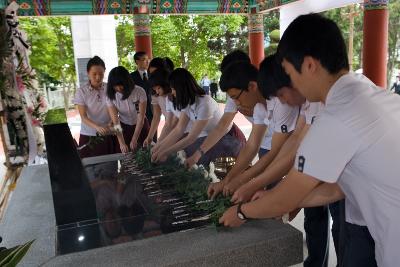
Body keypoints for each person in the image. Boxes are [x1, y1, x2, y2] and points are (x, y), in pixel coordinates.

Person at [220, 13, 400, 267]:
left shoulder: (336, 118)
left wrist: (241, 211)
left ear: (309, 65)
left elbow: (284, 197)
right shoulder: (371, 94)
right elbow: (339, 187)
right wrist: (291, 199)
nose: (290, 83)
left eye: (289, 73)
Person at [230, 54, 340, 267]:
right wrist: (272, 194)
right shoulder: (310, 103)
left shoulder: (332, 102)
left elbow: (293, 152)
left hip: (350, 195)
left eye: (282, 93)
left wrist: (249, 204)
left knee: (345, 237)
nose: (284, 101)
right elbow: (296, 143)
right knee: (324, 223)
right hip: (335, 184)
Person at [198, 60, 298, 200]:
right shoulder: (259, 107)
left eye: (236, 98)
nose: (236, 104)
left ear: (252, 86)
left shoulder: (281, 102)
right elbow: (251, 146)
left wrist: (242, 182)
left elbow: (275, 152)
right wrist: (227, 180)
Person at [151, 68, 243, 165]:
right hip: (208, 137)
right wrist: (158, 147)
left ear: (181, 88)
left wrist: (165, 152)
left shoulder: (204, 103)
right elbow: (179, 130)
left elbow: (191, 138)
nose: (172, 93)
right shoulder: (187, 102)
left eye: (173, 89)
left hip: (226, 138)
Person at [73, 56, 114, 158]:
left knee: (111, 164)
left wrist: (112, 122)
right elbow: (83, 117)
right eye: (94, 74)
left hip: (109, 132)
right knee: (91, 168)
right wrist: (98, 127)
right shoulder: (81, 92)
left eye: (101, 74)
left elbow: (115, 109)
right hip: (89, 135)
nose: (98, 77)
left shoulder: (110, 88)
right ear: (88, 73)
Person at [106, 66, 149, 153]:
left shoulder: (139, 91)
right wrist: (122, 143)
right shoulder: (111, 96)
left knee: (144, 153)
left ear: (127, 81)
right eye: (115, 86)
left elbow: (140, 118)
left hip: (140, 126)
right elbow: (116, 122)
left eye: (121, 85)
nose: (119, 89)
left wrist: (134, 139)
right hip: (123, 128)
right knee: (125, 154)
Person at [143, 68, 174, 147]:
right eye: (154, 89)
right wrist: (149, 137)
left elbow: (174, 123)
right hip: (171, 129)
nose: (157, 92)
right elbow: (157, 116)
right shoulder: (157, 95)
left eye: (159, 88)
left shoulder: (174, 96)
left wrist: (160, 142)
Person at [130, 52, 152, 123]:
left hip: (153, 110)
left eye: (148, 59)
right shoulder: (131, 77)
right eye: (144, 59)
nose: (147, 61)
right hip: (138, 111)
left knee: (153, 133)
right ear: (137, 61)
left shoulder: (152, 75)